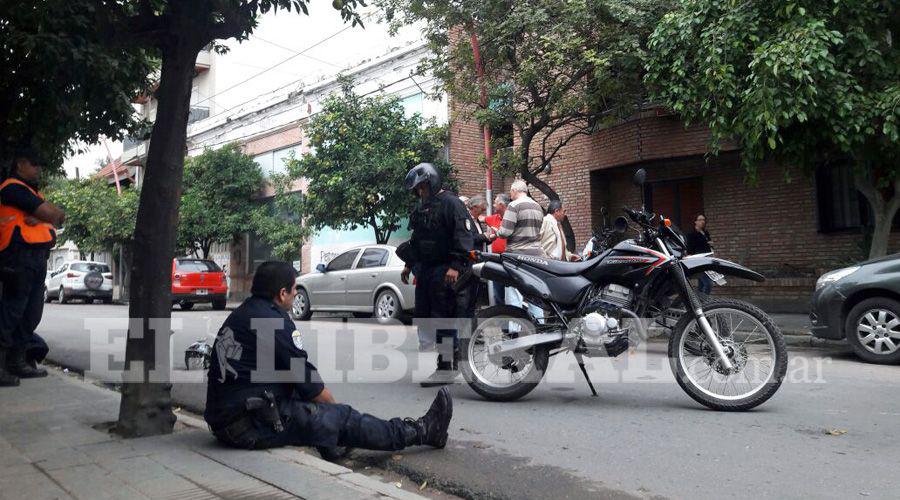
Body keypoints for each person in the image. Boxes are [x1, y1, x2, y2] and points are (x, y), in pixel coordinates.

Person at [205, 261, 453, 454]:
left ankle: (329, 442)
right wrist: (337, 415)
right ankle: (421, 432)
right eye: (293, 291)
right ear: (282, 293)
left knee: (307, 406)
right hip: (245, 426)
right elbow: (309, 384)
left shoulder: (243, 313)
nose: (294, 296)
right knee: (341, 418)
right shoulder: (273, 321)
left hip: (229, 419)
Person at [398, 163, 474, 387]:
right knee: (428, 316)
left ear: (431, 182)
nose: (420, 193)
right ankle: (447, 363)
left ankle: (445, 367)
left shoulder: (452, 203)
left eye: (422, 188)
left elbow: (463, 235)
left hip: (445, 269)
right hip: (427, 270)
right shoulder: (423, 208)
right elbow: (417, 240)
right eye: (417, 190)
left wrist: (455, 265)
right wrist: (409, 264)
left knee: (443, 318)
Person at [0, 148, 64, 387]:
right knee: (12, 312)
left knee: (31, 313)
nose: (39, 168)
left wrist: (48, 216)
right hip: (18, 257)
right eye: (34, 163)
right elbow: (52, 213)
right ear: (20, 165)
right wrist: (48, 214)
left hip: (36, 258)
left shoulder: (32, 193)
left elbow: (60, 216)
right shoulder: (12, 188)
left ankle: (17, 362)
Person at [496, 180, 545, 321]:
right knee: (535, 294)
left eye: (511, 192)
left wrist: (497, 232)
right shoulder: (537, 206)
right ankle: (540, 328)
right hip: (536, 255)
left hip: (517, 256)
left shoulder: (513, 206)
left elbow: (505, 232)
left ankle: (515, 333)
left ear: (514, 190)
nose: (510, 195)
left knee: (514, 295)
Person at [463, 196, 495, 317]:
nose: (482, 213)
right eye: (481, 210)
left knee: (473, 297)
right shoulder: (466, 219)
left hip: (477, 261)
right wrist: (485, 236)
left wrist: (490, 238)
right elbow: (469, 238)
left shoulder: (476, 221)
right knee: (467, 297)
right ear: (474, 207)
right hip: (469, 262)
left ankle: (471, 326)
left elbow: (480, 240)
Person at [483, 194, 509, 306]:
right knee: (497, 288)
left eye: (495, 203)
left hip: (509, 258)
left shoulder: (512, 218)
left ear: (501, 205)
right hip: (496, 258)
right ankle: (500, 314)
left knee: (512, 290)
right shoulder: (494, 218)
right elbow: (480, 218)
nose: (493, 205)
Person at [685, 214, 714, 294]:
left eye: (704, 220)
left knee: (701, 285)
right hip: (698, 262)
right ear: (695, 222)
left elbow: (707, 245)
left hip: (707, 260)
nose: (703, 222)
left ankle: (699, 302)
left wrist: (711, 244)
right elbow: (689, 249)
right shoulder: (692, 234)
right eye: (700, 220)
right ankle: (705, 303)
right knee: (708, 284)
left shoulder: (705, 232)